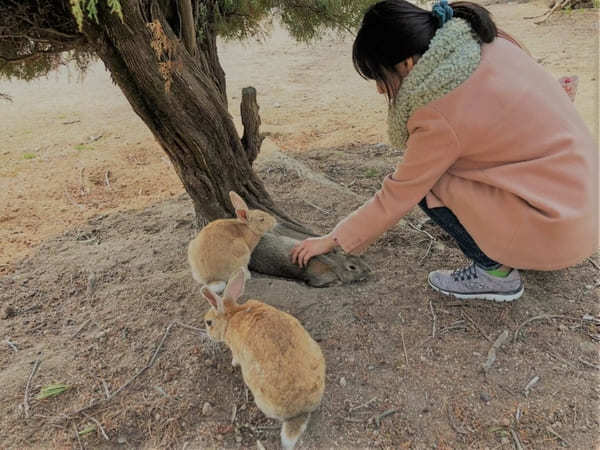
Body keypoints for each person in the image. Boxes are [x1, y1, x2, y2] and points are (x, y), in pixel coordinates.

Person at [290, 0, 597, 302]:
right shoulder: (489, 41)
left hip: (557, 226)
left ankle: (494, 273)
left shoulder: (438, 110)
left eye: (381, 77)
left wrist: (333, 240)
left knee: (427, 182)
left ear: (407, 63)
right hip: (584, 204)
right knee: (440, 167)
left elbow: (398, 194)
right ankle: (524, 245)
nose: (381, 90)